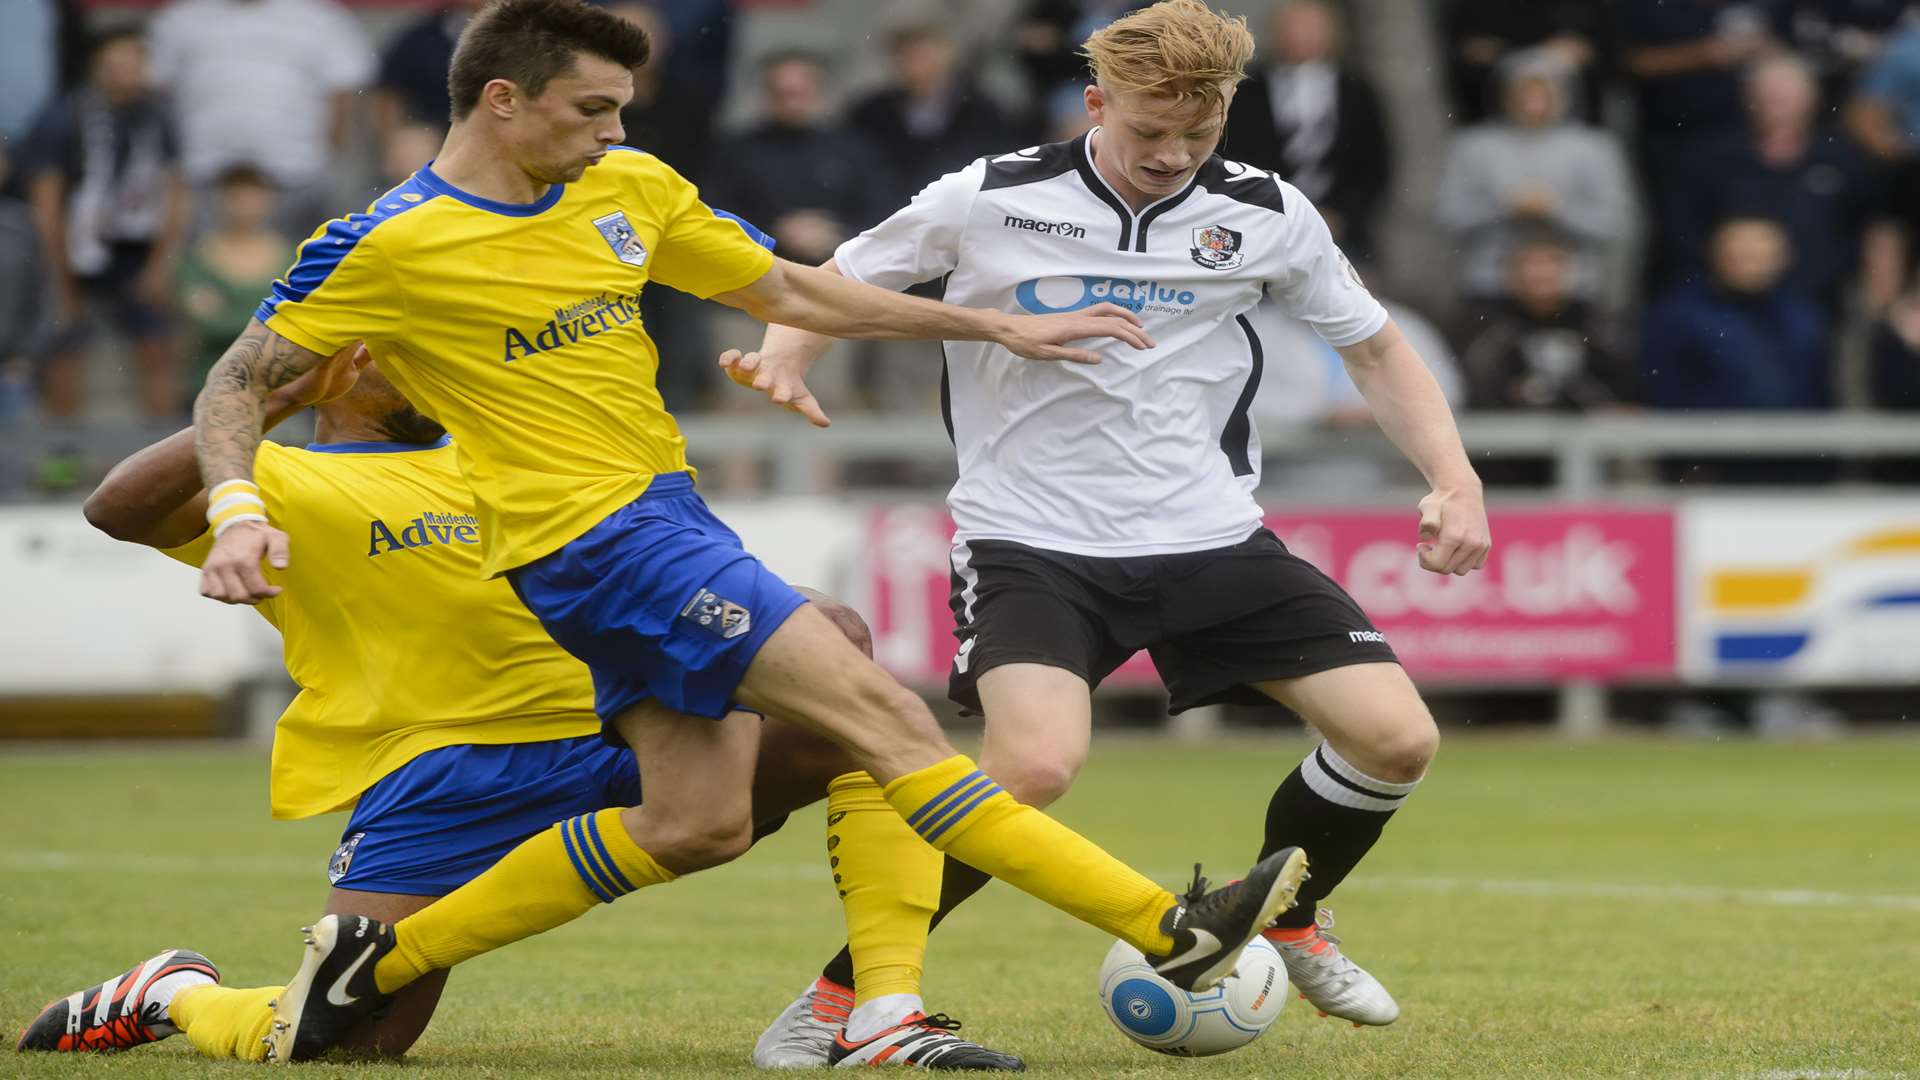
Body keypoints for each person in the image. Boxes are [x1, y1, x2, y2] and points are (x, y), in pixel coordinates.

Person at [185, 0, 1304, 1064]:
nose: (616, 130)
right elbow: (234, 386)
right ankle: (1163, 930)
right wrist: (237, 511)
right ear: (500, 100)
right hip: (598, 543)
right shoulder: (389, 243)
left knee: (697, 820)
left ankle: (363, 969)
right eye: (592, 109)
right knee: (885, 721)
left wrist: (992, 324)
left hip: (660, 518)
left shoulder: (628, 185)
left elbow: (793, 290)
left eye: (624, 107)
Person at [728, 0, 1490, 1062]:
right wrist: (788, 356)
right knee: (1031, 769)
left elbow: (1374, 349)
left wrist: (1454, 479)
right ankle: (837, 998)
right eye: (1148, 133)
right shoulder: (990, 195)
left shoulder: (1268, 212)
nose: (1172, 156)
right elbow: (839, 278)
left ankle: (1288, 914)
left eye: (1200, 133)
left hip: (1211, 536)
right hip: (1031, 542)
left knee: (1396, 738)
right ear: (1096, 104)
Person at [18, 346, 867, 1061]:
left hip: (614, 738)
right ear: (343, 364)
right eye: (412, 345)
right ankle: (176, 995)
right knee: (341, 1047)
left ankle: (867, 1001)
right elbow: (117, 509)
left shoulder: (511, 456)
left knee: (839, 664)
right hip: (437, 770)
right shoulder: (269, 476)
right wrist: (265, 401)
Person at [19, 29, 188, 421]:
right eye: (114, 65)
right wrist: (58, 273)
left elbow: (176, 194)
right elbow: (47, 200)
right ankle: (62, 457)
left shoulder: (159, 116)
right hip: (74, 248)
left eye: (133, 64)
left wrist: (160, 265)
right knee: (64, 347)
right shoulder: (66, 116)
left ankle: (161, 457)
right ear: (95, 67)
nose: (124, 74)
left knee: (158, 344)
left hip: (137, 249)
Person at [145, 0, 374, 231]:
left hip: (297, 178)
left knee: (299, 261)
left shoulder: (323, 19)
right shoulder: (179, 19)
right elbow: (155, 93)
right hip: (201, 178)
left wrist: (330, 159)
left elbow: (342, 96)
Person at [1433, 52, 1639, 306]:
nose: (1533, 104)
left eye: (1543, 94)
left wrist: (1557, 208)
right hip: (1491, 281)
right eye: (1523, 94)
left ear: (1564, 95)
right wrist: (1502, 206)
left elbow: (1617, 222)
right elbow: (1447, 215)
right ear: (1504, 96)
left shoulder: (1594, 148)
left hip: (1574, 285)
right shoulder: (1473, 146)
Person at [1224, 0, 1390, 263]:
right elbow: (1235, 155)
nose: (1303, 35)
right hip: (1260, 226)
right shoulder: (1246, 92)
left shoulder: (1356, 92)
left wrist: (1341, 213)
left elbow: (1374, 162)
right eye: (1294, 27)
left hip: (1342, 231)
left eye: (1313, 27)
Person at [176, 165, 292, 405]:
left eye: (254, 198)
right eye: (237, 198)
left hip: (281, 393)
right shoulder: (197, 259)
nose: (245, 208)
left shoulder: (294, 256)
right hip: (211, 387)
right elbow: (209, 325)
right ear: (219, 201)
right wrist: (278, 323)